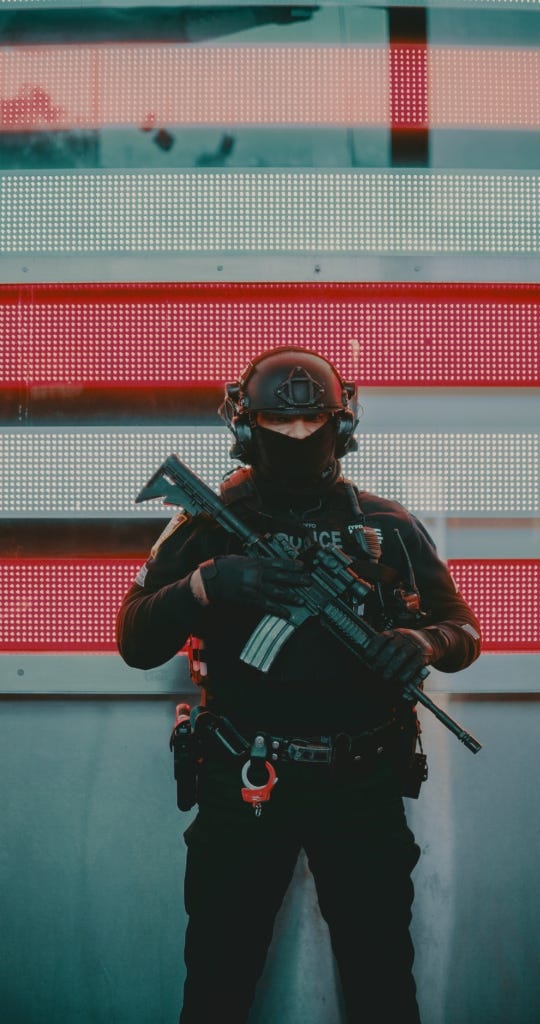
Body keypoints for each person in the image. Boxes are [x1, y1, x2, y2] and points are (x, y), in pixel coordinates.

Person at [116, 346, 481, 1024]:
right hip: (245, 778)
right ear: (245, 428)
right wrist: (208, 584)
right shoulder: (207, 522)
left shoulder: (389, 525)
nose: (296, 436)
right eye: (278, 425)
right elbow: (135, 640)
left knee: (382, 988)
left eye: (311, 423)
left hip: (363, 782)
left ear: (340, 427)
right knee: (218, 987)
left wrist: (421, 642)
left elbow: (462, 630)